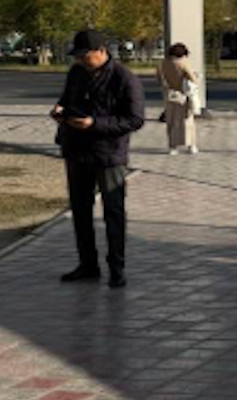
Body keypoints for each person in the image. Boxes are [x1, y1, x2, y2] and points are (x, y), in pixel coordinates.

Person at [51, 30, 145, 288]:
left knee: (113, 212)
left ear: (102, 51)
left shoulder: (124, 78)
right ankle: (87, 264)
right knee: (80, 211)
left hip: (108, 154)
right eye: (77, 56)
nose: (80, 60)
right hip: (76, 150)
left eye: (85, 55)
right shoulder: (76, 73)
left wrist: (95, 124)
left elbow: (134, 119)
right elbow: (66, 99)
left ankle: (117, 267)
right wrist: (60, 110)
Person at [157, 42, 199, 155]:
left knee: (171, 121)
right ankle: (191, 145)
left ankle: (173, 147)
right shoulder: (183, 64)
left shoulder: (162, 64)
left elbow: (159, 79)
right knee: (187, 121)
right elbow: (193, 79)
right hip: (182, 95)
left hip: (169, 95)